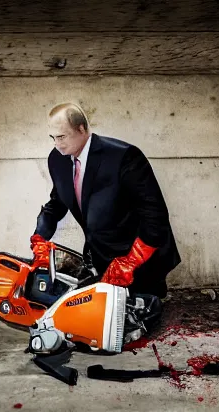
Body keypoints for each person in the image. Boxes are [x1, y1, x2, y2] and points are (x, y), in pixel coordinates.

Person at [31, 103, 180, 298]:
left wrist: (131, 261)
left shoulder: (125, 156)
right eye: (53, 138)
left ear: (82, 129)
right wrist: (39, 237)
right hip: (100, 260)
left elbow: (155, 215)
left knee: (144, 319)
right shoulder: (57, 160)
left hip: (142, 263)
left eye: (62, 137)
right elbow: (58, 200)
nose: (57, 145)